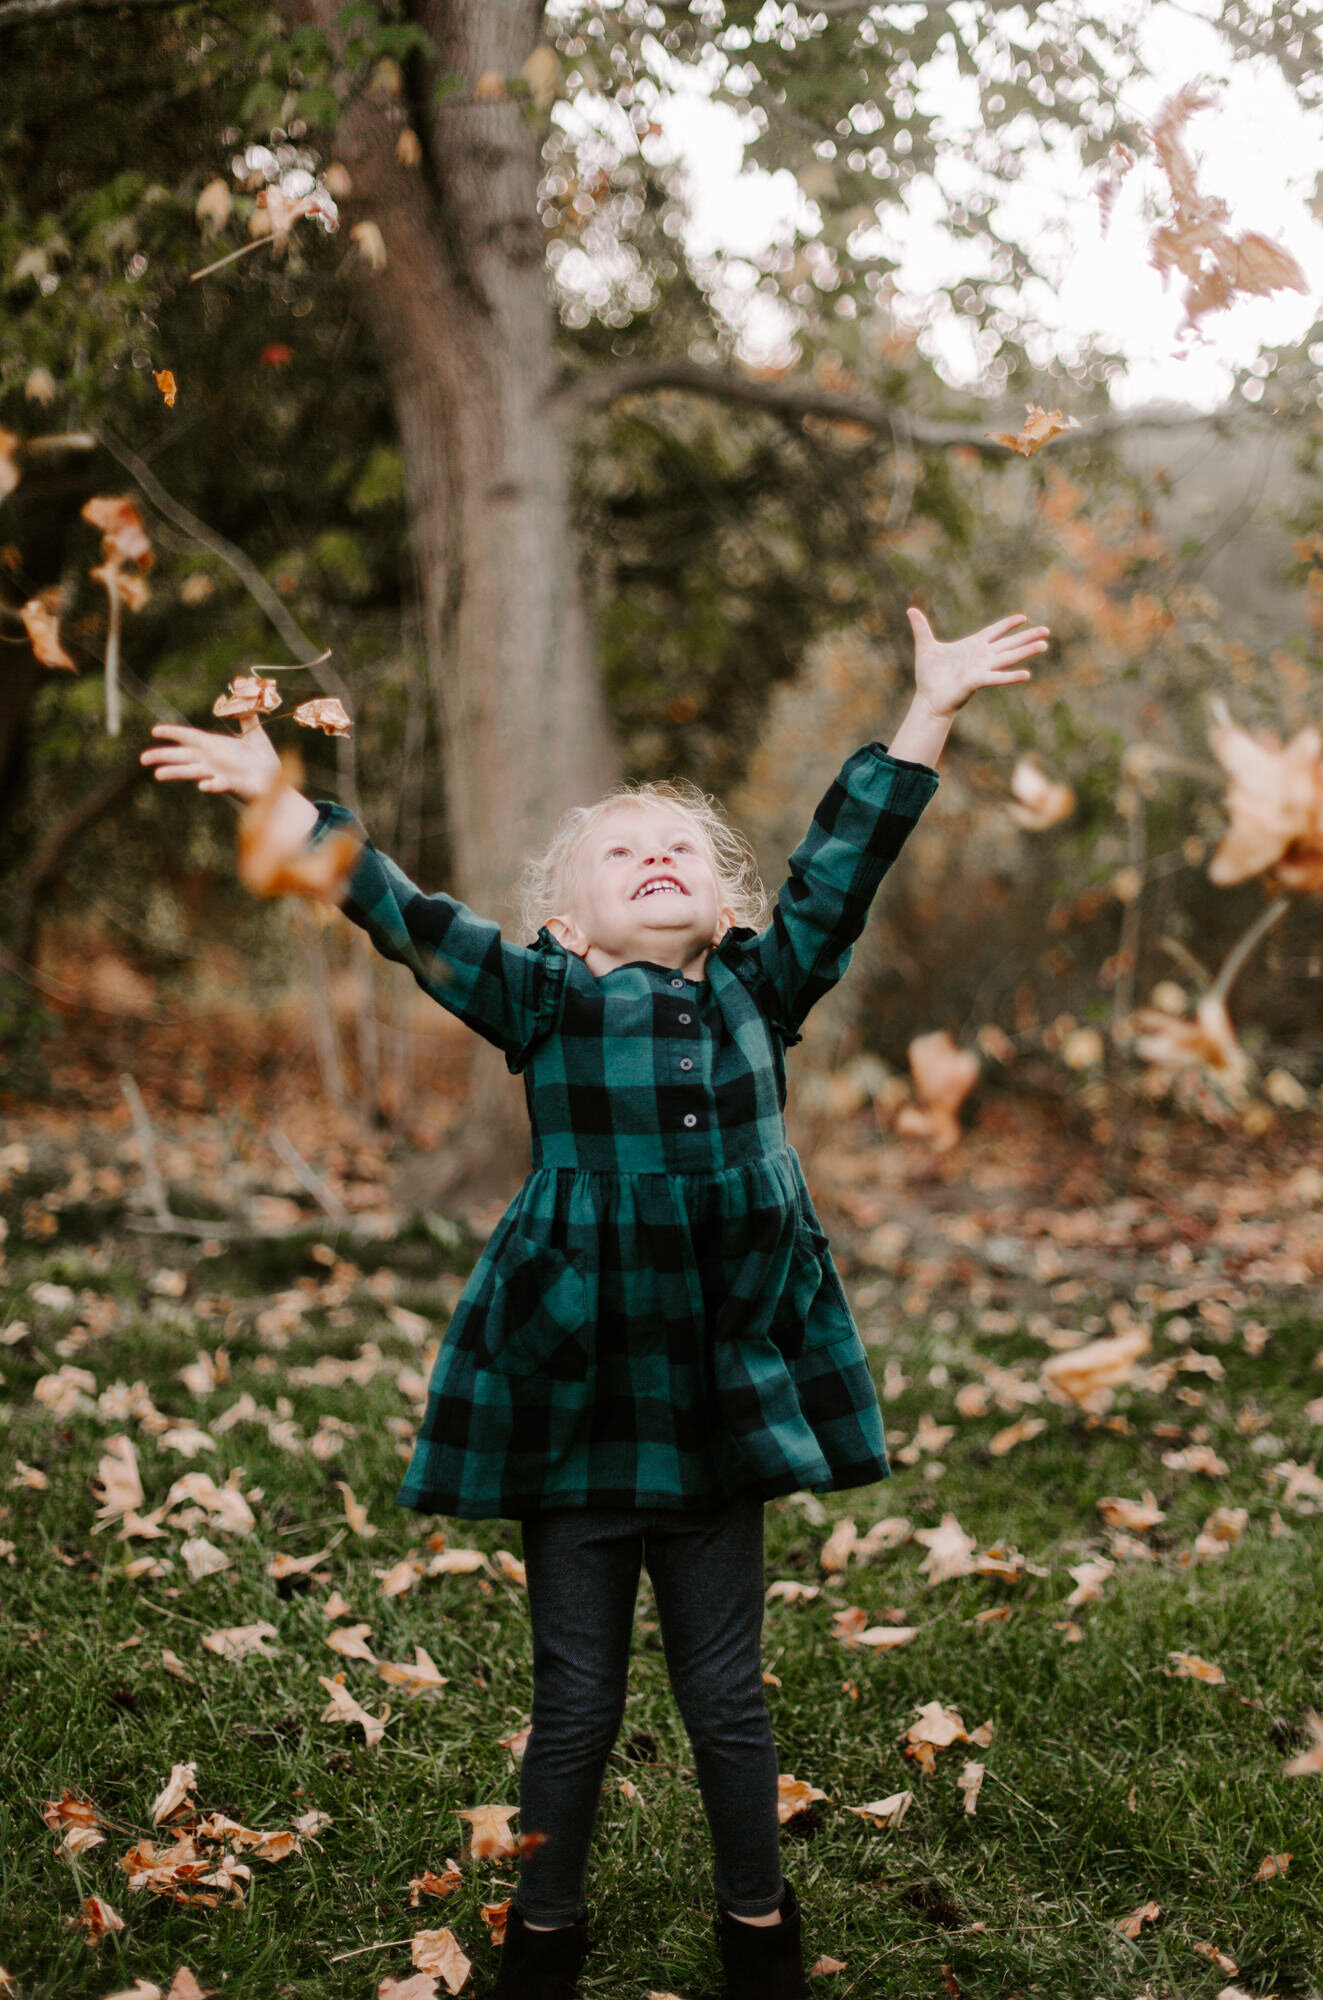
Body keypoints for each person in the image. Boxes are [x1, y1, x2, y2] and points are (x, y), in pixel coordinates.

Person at [141, 605, 1046, 2000]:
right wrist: (278, 792)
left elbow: (844, 865)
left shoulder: (761, 981)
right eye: (621, 853)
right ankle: (544, 1931)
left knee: (726, 1693)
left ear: (726, 906)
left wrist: (926, 712)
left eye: (682, 848)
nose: (659, 858)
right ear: (567, 919)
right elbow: (400, 911)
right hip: (569, 1394)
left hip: (721, 1393)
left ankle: (759, 1927)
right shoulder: (540, 1000)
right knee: (576, 1696)